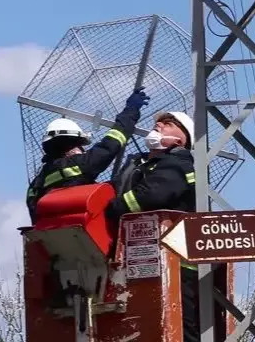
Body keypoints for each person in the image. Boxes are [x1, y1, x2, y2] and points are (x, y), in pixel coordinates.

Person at [104, 111, 199, 342]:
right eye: (158, 122)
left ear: (181, 140)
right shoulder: (139, 164)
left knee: (177, 327)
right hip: (138, 260)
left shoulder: (179, 165)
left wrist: (111, 208)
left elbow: (148, 197)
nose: (158, 125)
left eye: (168, 124)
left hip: (176, 265)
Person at [25, 87, 150, 223]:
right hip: (82, 230)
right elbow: (112, 143)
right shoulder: (78, 165)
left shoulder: (35, 185)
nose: (83, 150)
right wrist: (131, 110)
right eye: (80, 145)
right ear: (70, 146)